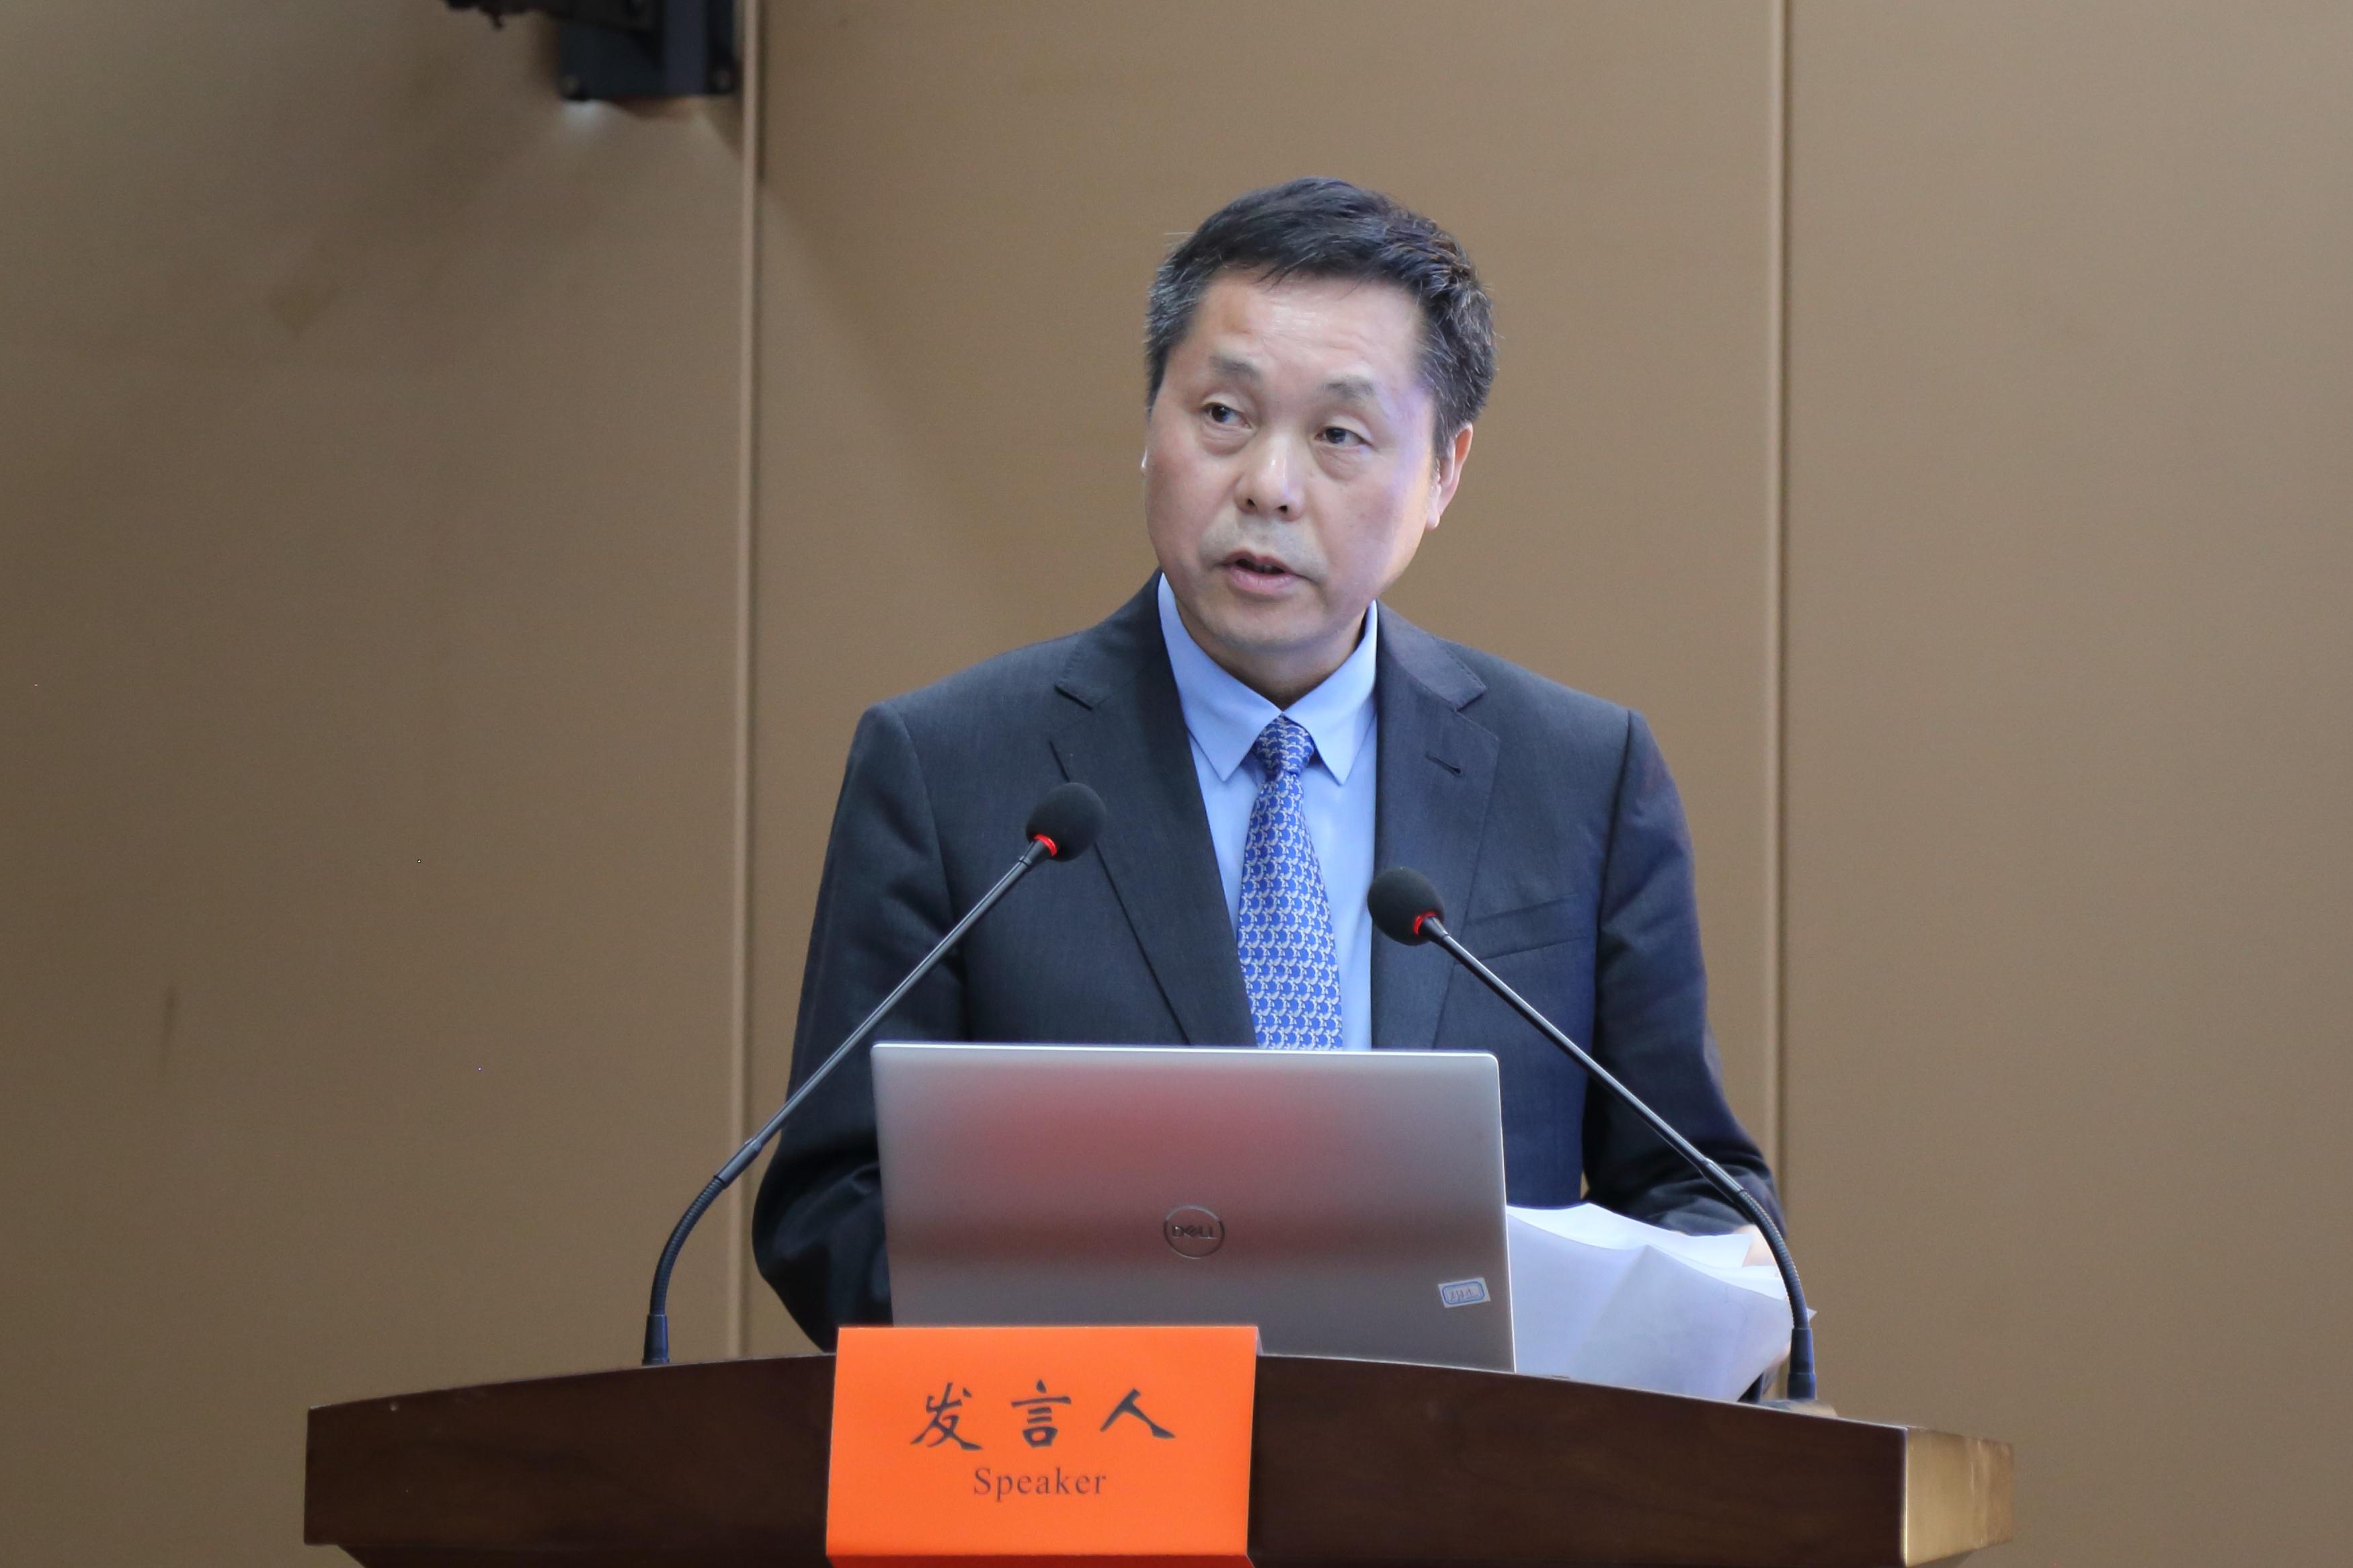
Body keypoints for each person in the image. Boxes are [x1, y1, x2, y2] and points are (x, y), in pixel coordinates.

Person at [754, 177, 1780, 1348]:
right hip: (1105, 1448)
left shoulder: (1580, 776)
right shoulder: (949, 769)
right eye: (1223, 415)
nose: (1269, 486)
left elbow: (1700, 1196)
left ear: (1444, 471)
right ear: (1151, 424)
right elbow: (831, 1208)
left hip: (1458, 1450)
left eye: (1340, 435)